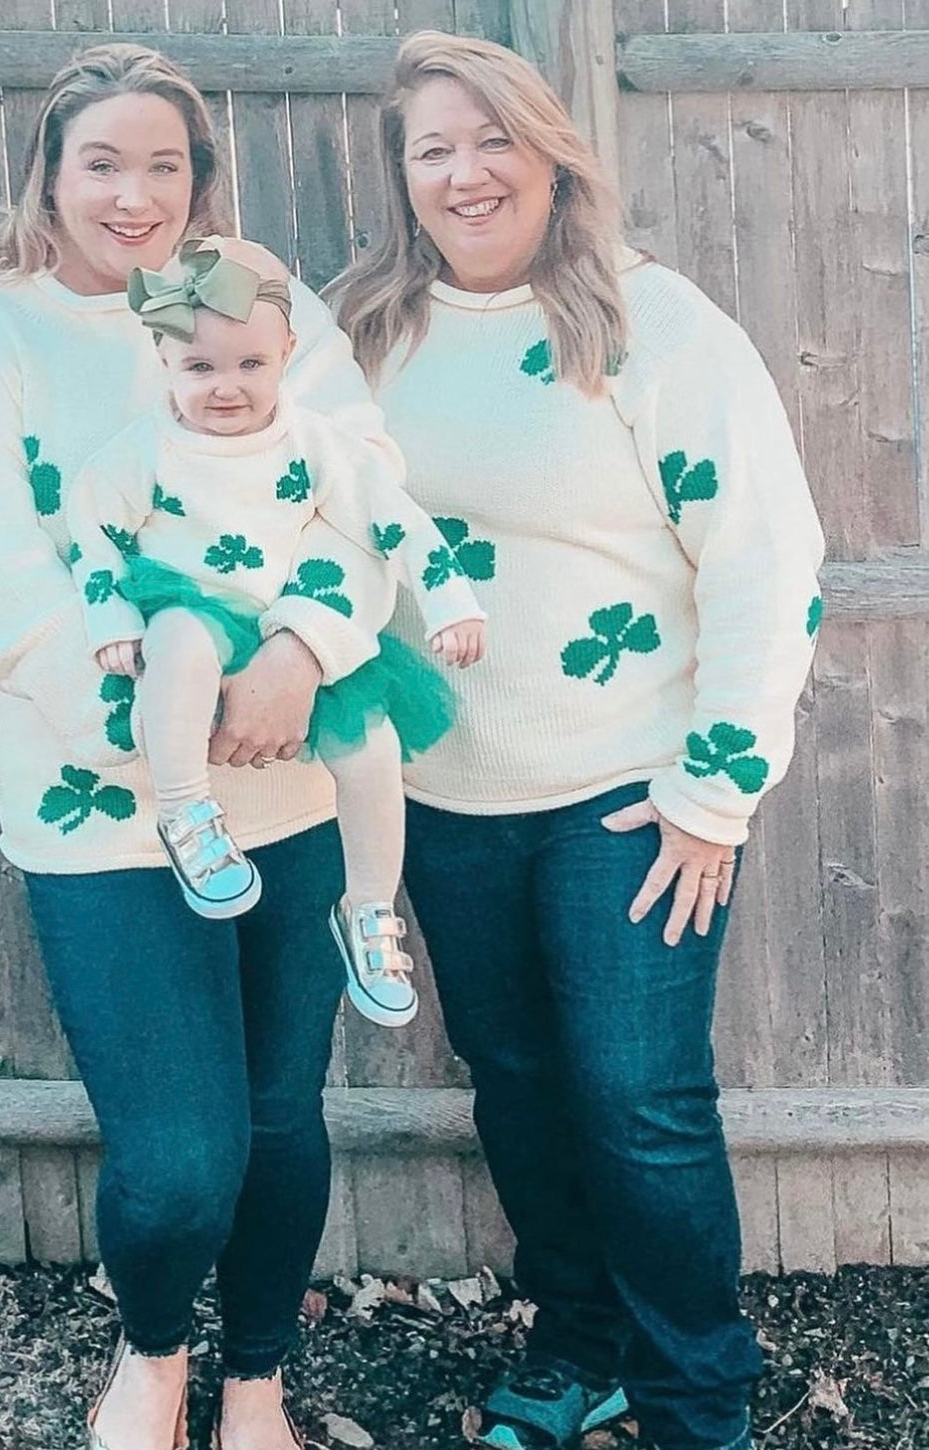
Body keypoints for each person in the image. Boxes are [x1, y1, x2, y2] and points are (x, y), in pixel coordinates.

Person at [0, 43, 402, 1450]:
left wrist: (298, 656)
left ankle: (251, 1378)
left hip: (294, 786)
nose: (134, 195)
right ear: (48, 175)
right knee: (181, 1160)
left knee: (280, 1120)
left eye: (164, 165)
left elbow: (364, 496)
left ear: (201, 177)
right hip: (97, 808)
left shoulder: (266, 297)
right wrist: (161, 725)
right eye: (102, 163)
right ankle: (151, 1345)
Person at [328, 30, 824, 1450]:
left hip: (627, 792)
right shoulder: (358, 333)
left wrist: (713, 791)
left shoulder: (649, 328)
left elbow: (762, 559)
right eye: (434, 148)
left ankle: (695, 1397)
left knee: (636, 1100)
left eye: (493, 140)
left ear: (551, 154)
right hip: (440, 792)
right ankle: (582, 1339)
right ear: (402, 177)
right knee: (519, 1085)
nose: (466, 172)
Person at [65, 236, 485, 1027]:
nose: (226, 388)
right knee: (180, 643)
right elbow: (94, 533)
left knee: (373, 749)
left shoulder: (316, 444)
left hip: (284, 624)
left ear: (287, 353)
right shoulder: (144, 451)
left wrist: (452, 600)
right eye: (200, 370)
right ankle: (187, 809)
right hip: (194, 605)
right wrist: (111, 618)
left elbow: (395, 522)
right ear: (163, 359)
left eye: (249, 367)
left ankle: (367, 912)